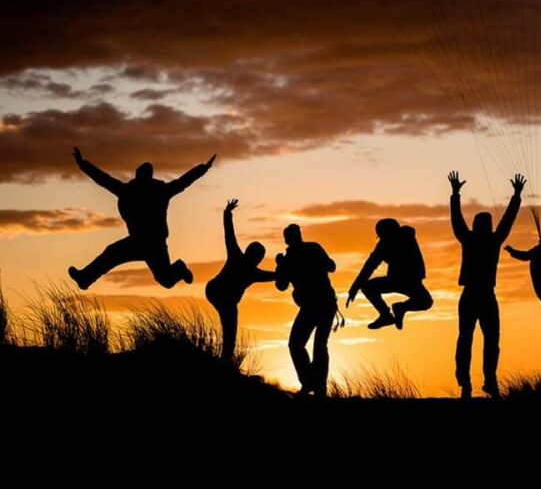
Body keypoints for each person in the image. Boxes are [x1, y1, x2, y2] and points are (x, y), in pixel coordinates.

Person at [67, 147, 215, 290]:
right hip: (146, 242)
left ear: (138, 176)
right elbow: (183, 182)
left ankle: (85, 278)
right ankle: (84, 278)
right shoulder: (155, 190)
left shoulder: (134, 191)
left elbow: (104, 179)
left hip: (148, 243)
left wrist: (82, 164)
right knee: (162, 278)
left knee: (162, 279)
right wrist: (203, 168)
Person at [449, 170, 525, 399]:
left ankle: (470, 384)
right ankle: (484, 382)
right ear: (489, 226)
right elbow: (508, 219)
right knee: (488, 339)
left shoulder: (470, 238)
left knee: (468, 338)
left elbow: (457, 220)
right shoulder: (492, 239)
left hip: (472, 295)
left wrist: (455, 194)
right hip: (483, 295)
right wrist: (516, 195)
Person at [205, 199, 277, 362]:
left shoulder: (252, 270)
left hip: (216, 293)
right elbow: (229, 235)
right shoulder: (244, 263)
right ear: (252, 255)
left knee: (230, 323)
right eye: (257, 256)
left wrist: (227, 213)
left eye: (258, 257)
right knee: (230, 321)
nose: (257, 259)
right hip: (216, 291)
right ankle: (226, 359)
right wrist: (227, 213)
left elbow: (273, 276)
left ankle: (226, 358)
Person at [275, 223, 338, 396]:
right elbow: (331, 266)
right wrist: (282, 266)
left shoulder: (293, 257)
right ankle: (315, 385)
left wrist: (280, 265)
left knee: (301, 345)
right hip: (322, 304)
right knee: (312, 345)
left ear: (287, 239)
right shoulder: (312, 248)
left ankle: (313, 384)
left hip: (318, 304)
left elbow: (280, 285)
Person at [346, 218, 433, 330]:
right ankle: (389, 313)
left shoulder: (401, 237)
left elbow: (368, 267)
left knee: (425, 302)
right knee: (425, 302)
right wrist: (354, 288)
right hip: (403, 280)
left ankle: (395, 310)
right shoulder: (399, 238)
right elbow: (368, 267)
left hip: (403, 280)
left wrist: (354, 288)